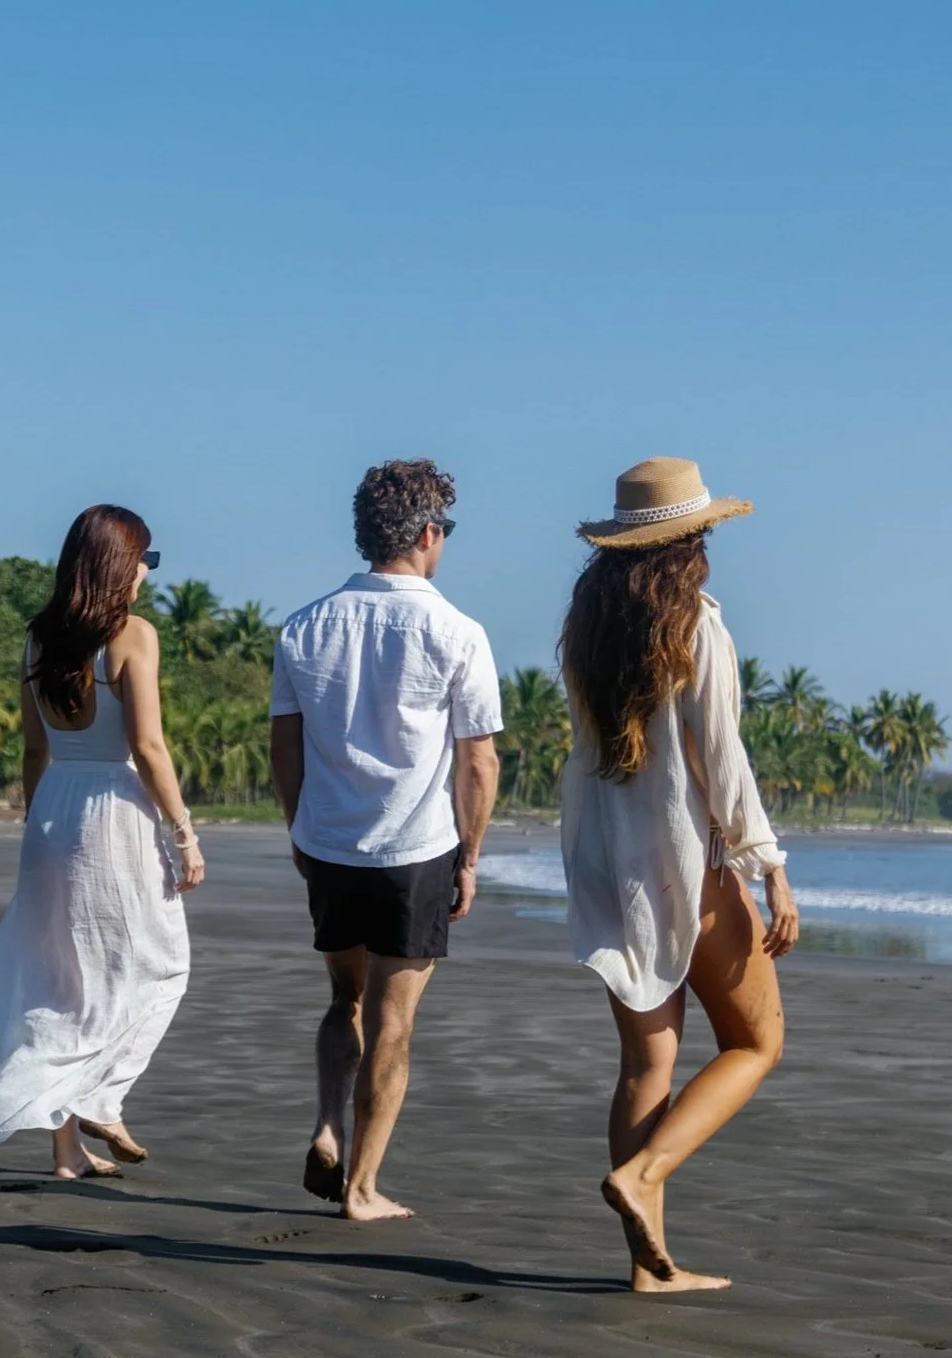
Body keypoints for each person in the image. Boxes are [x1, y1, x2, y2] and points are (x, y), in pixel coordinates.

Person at [558, 457, 801, 1295]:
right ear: (689, 541)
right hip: (686, 865)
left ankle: (648, 1267)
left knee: (645, 1068)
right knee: (755, 1041)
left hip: (605, 864)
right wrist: (766, 865)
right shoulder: (696, 624)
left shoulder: (586, 628)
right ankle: (645, 1173)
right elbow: (720, 758)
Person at [0, 505, 205, 1179]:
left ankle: (66, 1149)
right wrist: (184, 833)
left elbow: (33, 747)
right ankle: (102, 1095)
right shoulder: (132, 634)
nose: (146, 574)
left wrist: (35, 823)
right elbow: (147, 744)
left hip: (53, 806)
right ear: (119, 563)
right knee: (160, 964)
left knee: (61, 972)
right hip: (112, 806)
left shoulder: (37, 638)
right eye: (145, 559)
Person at [271, 459, 501, 1221]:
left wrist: (298, 828)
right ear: (429, 533)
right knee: (393, 1025)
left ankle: (326, 1126)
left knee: (345, 1000)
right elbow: (476, 760)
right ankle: (362, 1188)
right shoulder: (457, 631)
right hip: (414, 850)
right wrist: (470, 857)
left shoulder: (303, 626)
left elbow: (285, 746)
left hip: (330, 845)